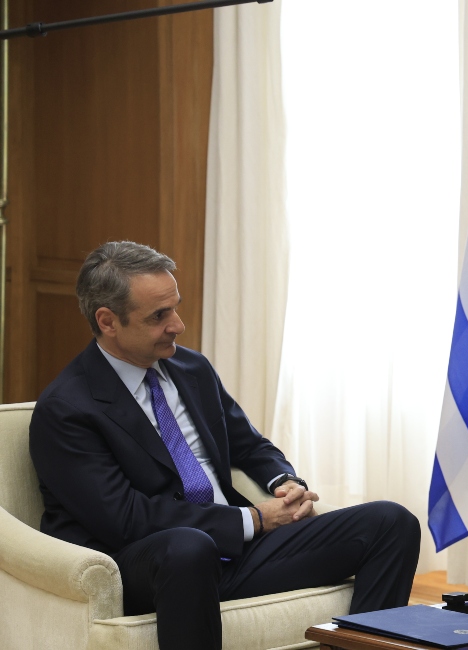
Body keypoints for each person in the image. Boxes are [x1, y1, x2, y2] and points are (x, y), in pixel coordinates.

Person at [29, 241, 421, 650]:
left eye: (176, 308)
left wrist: (284, 482)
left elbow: (249, 445)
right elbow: (124, 519)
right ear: (108, 321)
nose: (178, 325)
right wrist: (252, 519)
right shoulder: (67, 409)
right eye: (159, 316)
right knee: (189, 546)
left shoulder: (191, 368)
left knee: (392, 523)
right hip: (149, 561)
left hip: (238, 550)